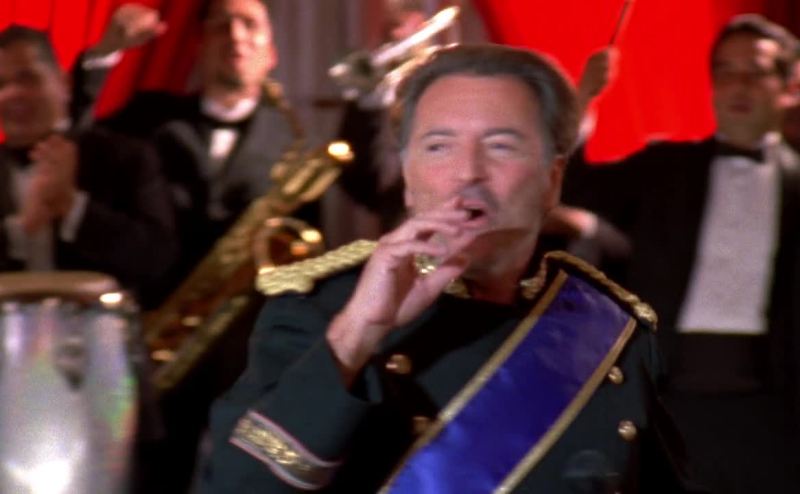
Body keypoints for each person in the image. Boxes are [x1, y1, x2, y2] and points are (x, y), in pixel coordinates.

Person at [200, 44, 702, 493]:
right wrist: (357, 334)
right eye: (439, 146)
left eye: (501, 146)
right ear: (408, 180)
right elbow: (237, 485)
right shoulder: (321, 311)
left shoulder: (611, 327)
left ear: (552, 180)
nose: (468, 172)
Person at [560, 14, 800, 493]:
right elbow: (572, 187)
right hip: (668, 399)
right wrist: (584, 99)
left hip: (778, 410)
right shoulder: (664, 168)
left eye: (755, 72)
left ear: (790, 86)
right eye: (726, 71)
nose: (739, 85)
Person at [73, 0, 300, 295]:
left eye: (250, 24)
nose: (236, 35)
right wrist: (105, 52)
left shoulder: (295, 139)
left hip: (254, 309)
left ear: (272, 52)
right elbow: (77, 141)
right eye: (221, 25)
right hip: (149, 304)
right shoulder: (148, 116)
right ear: (199, 47)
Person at [0, 24, 176, 302]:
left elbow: (157, 260)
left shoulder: (126, 156)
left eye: (27, 78)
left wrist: (72, 206)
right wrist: (21, 229)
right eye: (0, 84)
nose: (11, 94)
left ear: (64, 83)